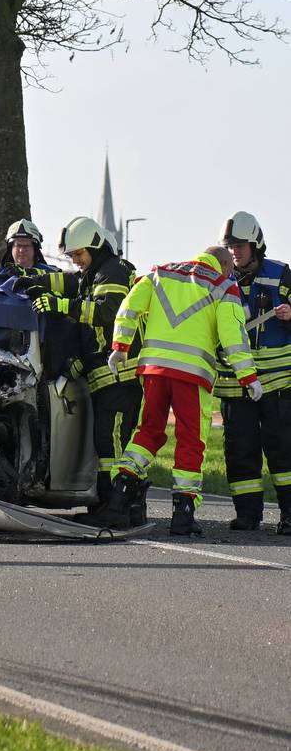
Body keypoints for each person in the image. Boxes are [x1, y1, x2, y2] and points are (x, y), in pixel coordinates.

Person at [92, 246, 259, 536]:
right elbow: (234, 336)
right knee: (190, 440)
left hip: (154, 370)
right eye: (230, 268)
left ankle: (119, 498)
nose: (233, 274)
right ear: (222, 263)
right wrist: (248, 376)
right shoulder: (223, 286)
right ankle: (182, 515)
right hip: (192, 376)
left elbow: (129, 306)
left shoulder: (160, 273)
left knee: (148, 432)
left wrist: (120, 346)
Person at [15, 217, 143, 515]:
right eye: (72, 257)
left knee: (113, 444)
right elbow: (66, 281)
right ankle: (110, 506)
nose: (76, 261)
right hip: (106, 376)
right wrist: (30, 278)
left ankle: (120, 508)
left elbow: (106, 312)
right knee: (107, 443)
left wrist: (60, 306)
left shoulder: (112, 271)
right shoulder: (93, 273)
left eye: (78, 255)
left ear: (95, 248)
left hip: (121, 377)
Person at [215, 211, 291, 533]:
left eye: (241, 246)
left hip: (277, 384)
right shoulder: (219, 281)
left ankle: (289, 515)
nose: (235, 252)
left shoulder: (281, 274)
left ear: (256, 244)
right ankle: (248, 515)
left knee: (284, 450)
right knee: (240, 451)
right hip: (235, 385)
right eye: (230, 246)